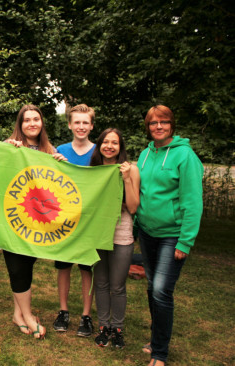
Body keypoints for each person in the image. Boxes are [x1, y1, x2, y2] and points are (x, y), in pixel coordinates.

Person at [136, 105, 203, 366]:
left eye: (163, 122)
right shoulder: (144, 155)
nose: (158, 127)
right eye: (153, 123)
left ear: (172, 125)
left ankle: (159, 354)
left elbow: (193, 202)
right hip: (147, 232)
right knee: (153, 287)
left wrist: (185, 241)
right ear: (148, 127)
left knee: (162, 290)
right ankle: (155, 340)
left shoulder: (185, 157)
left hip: (172, 236)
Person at [4, 104, 66, 340]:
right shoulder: (10, 147)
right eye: (26, 120)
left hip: (37, 222)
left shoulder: (50, 150)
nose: (32, 123)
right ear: (20, 125)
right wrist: (7, 151)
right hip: (13, 217)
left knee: (26, 265)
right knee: (17, 265)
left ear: (42, 123)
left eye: (36, 119)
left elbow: (57, 186)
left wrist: (61, 164)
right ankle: (29, 317)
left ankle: (18, 314)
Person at [89, 128, 140, 349]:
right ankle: (103, 326)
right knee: (100, 283)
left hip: (121, 235)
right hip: (98, 235)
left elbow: (133, 207)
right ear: (99, 145)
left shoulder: (131, 170)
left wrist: (127, 179)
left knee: (117, 286)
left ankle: (117, 328)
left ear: (121, 147)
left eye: (115, 143)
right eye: (105, 142)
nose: (109, 146)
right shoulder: (93, 171)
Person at [53, 103, 96, 337]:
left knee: (87, 267)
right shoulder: (60, 150)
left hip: (89, 219)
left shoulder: (100, 151)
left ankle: (86, 315)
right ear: (70, 124)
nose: (81, 126)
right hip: (64, 220)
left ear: (91, 125)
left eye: (85, 122)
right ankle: (63, 311)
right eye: (76, 122)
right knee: (63, 266)